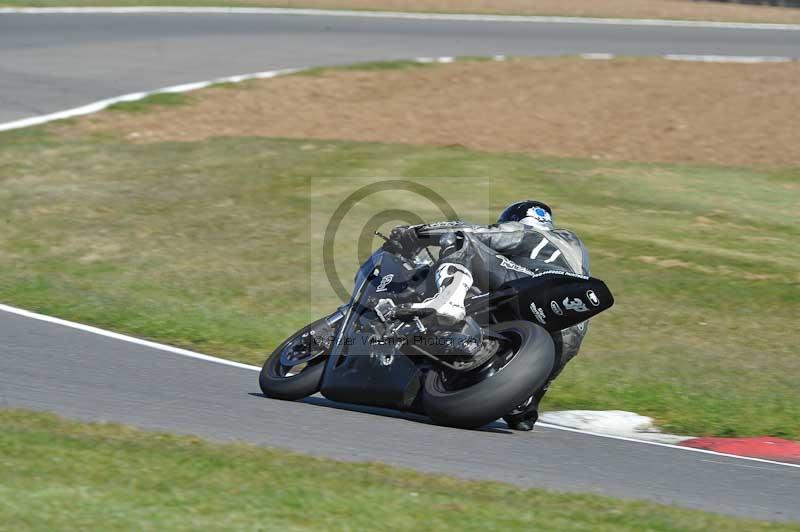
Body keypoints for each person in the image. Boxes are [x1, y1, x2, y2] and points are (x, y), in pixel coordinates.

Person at [389, 200, 590, 431]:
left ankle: (450, 301)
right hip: (572, 327)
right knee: (521, 413)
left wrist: (414, 233)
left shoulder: (529, 232)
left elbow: (470, 231)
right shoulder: (575, 250)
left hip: (534, 288)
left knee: (460, 240)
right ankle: (523, 399)